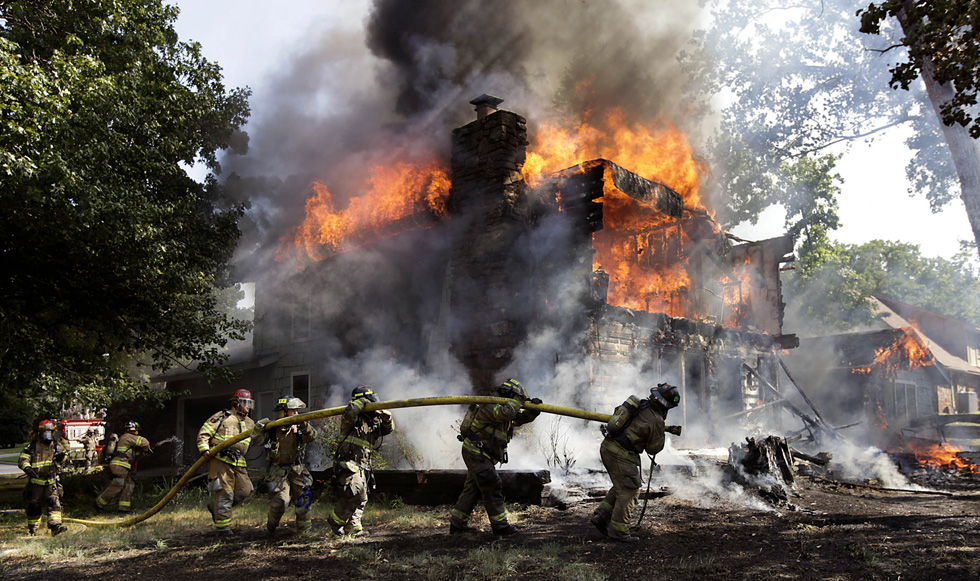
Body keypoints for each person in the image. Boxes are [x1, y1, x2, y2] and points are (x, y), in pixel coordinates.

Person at [449, 378, 542, 536]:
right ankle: (500, 527)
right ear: (511, 395)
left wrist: (532, 412)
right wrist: (519, 400)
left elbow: (516, 420)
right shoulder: (490, 405)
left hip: (481, 454)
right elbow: (505, 414)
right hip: (476, 452)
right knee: (492, 485)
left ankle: (457, 525)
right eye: (516, 398)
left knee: (473, 489)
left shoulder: (502, 408)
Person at [591, 382, 680, 543]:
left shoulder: (640, 405)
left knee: (622, 485)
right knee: (630, 491)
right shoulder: (656, 421)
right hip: (621, 454)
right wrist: (660, 433)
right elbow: (653, 449)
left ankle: (602, 516)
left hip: (608, 447)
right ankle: (619, 532)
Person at [326, 385, 393, 537]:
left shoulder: (371, 422)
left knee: (363, 498)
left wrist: (387, 419)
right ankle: (336, 520)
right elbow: (350, 412)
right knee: (355, 493)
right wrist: (363, 401)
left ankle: (353, 527)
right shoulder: (351, 420)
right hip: (348, 463)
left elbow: (386, 430)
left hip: (362, 466)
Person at [252, 395, 316, 537]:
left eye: (297, 411)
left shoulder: (299, 427)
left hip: (297, 470)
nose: (296, 413)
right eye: (293, 411)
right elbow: (257, 441)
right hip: (278, 470)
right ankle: (271, 527)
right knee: (281, 501)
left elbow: (311, 436)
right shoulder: (273, 429)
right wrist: (259, 427)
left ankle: (304, 531)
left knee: (304, 500)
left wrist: (304, 425)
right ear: (283, 412)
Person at [197, 388, 256, 535]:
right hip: (220, 459)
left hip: (239, 461)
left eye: (250, 403)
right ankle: (223, 528)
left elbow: (259, 439)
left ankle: (215, 507)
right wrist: (205, 450)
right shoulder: (222, 417)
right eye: (246, 403)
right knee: (225, 493)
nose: (248, 407)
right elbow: (204, 433)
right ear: (237, 403)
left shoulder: (250, 423)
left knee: (244, 491)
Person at [18, 420, 69, 535]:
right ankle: (33, 528)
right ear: (39, 433)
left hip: (51, 481)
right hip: (36, 483)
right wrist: (28, 468)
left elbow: (63, 461)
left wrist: (62, 458)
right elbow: (23, 459)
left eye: (49, 432)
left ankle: (55, 526)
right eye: (45, 433)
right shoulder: (32, 446)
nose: (47, 436)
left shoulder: (56, 446)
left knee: (54, 503)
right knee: (34, 505)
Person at [95, 421, 152, 513]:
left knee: (129, 485)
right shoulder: (127, 437)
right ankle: (98, 504)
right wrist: (146, 448)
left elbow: (132, 457)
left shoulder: (126, 441)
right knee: (118, 485)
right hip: (120, 464)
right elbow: (144, 442)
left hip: (123, 464)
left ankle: (124, 508)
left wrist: (143, 454)